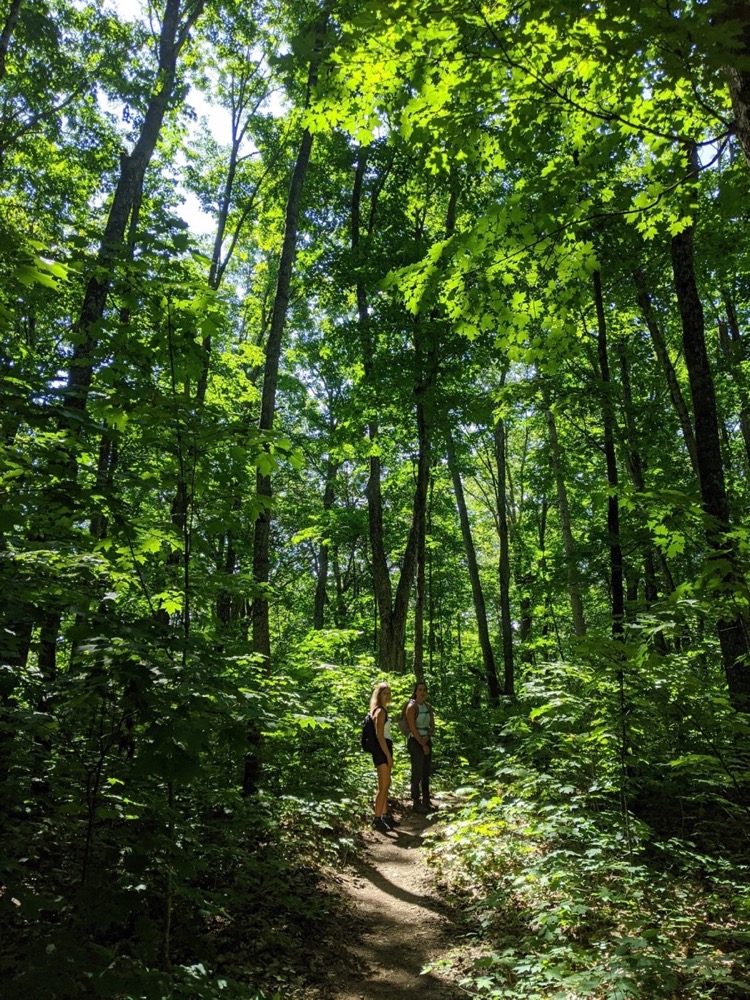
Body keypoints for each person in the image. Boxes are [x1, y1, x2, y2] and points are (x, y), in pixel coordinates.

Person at [405, 681, 435, 813]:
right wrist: (422, 744)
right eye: (420, 690)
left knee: (426, 771)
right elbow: (412, 727)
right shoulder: (411, 707)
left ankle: (426, 801)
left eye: (424, 690)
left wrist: (428, 736)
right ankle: (416, 802)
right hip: (415, 741)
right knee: (417, 771)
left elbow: (432, 726)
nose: (422, 692)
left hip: (426, 739)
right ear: (415, 692)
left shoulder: (428, 707)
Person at [369, 681, 395, 833]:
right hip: (382, 750)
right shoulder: (380, 712)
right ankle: (377, 819)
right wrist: (388, 756)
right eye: (385, 693)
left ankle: (384, 816)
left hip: (384, 748)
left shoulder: (381, 710)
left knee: (386, 784)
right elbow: (379, 736)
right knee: (383, 786)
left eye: (389, 693)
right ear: (378, 695)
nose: (388, 696)